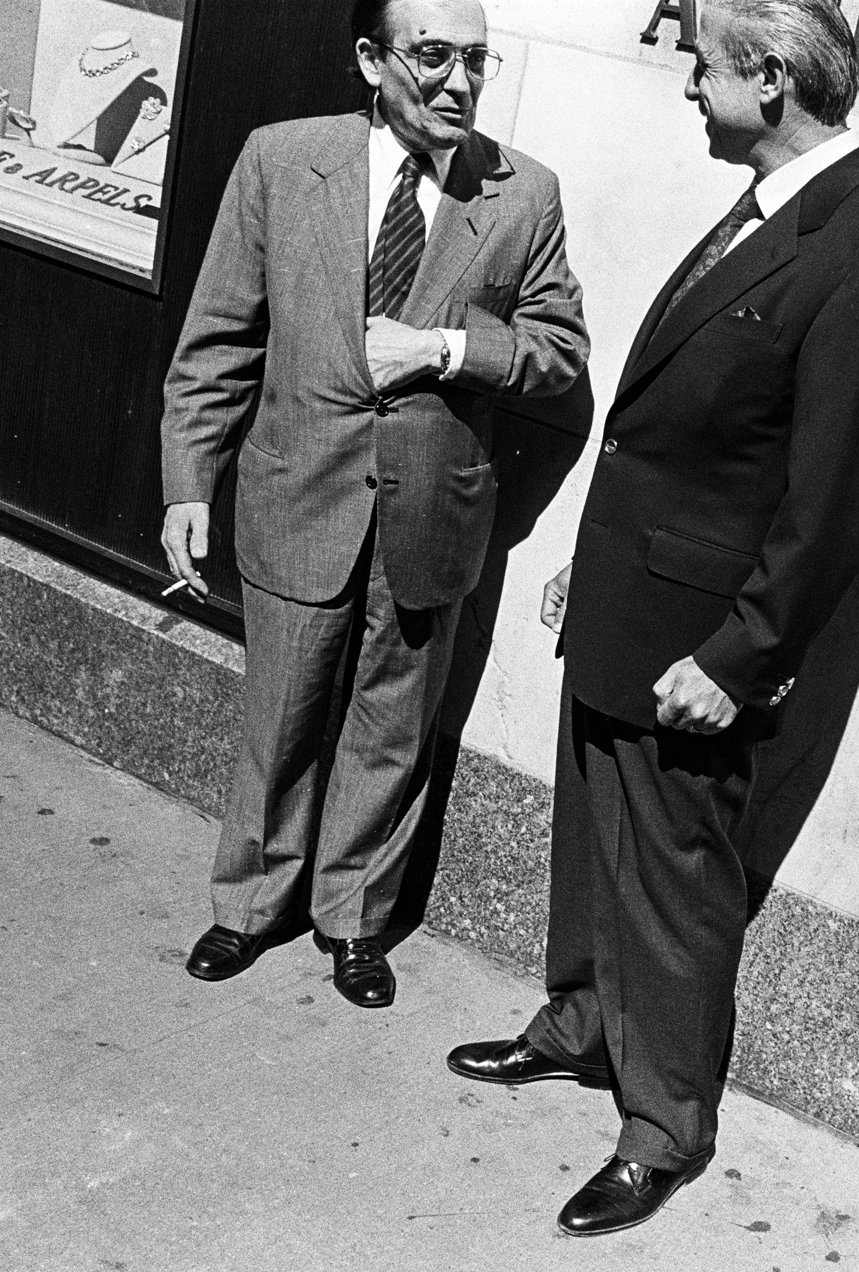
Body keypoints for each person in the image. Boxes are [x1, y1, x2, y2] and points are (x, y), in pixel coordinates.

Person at [445, 0, 859, 1237]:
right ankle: (578, 1020)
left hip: (703, 648)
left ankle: (664, 1125)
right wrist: (595, 570)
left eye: (702, 66)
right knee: (590, 837)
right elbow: (674, 442)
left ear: (771, 79)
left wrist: (739, 656)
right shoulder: (765, 211)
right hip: (634, 604)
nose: (686, 86)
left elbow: (830, 502)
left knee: (674, 882)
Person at [158, 0, 587, 1006]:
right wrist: (188, 483)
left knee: (393, 721)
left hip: (432, 504)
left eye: (475, 59)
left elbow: (561, 355)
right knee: (283, 710)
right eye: (433, 55)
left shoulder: (523, 194)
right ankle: (247, 905)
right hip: (297, 488)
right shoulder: (282, 159)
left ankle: (354, 918)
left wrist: (446, 349)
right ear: (371, 58)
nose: (458, 81)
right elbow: (218, 339)